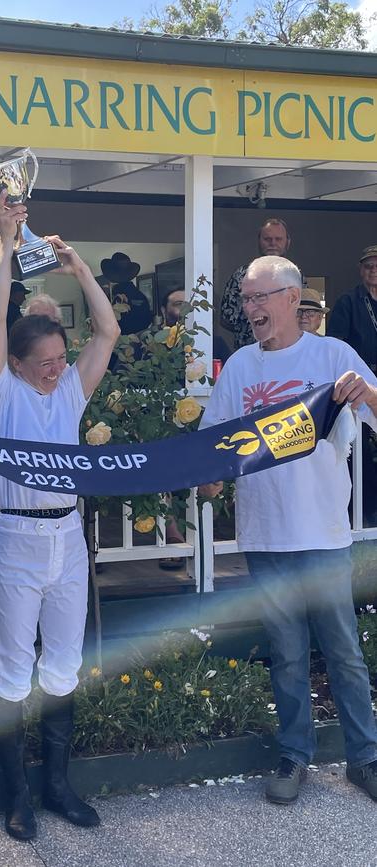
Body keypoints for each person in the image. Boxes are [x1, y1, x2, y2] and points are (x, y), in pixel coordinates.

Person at [200, 255, 377, 806]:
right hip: (265, 534)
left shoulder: (333, 356)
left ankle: (365, 758)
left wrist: (365, 393)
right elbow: (213, 449)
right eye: (246, 299)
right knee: (286, 654)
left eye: (260, 297)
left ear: (293, 299)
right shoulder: (239, 368)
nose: (250, 308)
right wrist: (203, 483)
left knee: (343, 651)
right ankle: (294, 755)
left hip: (322, 533)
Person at [0, 190, 119, 841]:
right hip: (17, 539)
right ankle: (17, 794)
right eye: (49, 362)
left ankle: (58, 783)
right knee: (13, 669)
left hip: (67, 535)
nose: (59, 368)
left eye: (64, 358)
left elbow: (110, 332)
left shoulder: (68, 393)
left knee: (62, 665)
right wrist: (5, 241)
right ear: (19, 364)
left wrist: (79, 269)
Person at [328, 245, 377, 523]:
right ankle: (363, 516)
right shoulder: (348, 302)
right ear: (361, 270)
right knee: (359, 457)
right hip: (360, 385)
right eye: (368, 265)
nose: (373, 270)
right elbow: (337, 346)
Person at [220, 217, 302, 349]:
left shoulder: (297, 277)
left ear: (288, 242)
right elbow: (227, 319)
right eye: (267, 239)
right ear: (259, 241)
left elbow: (304, 316)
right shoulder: (242, 275)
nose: (273, 243)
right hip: (250, 351)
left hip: (290, 350)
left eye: (278, 239)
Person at [101, 252, 152, 335]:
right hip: (139, 340)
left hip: (117, 343)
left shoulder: (112, 297)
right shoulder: (140, 296)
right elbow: (147, 320)